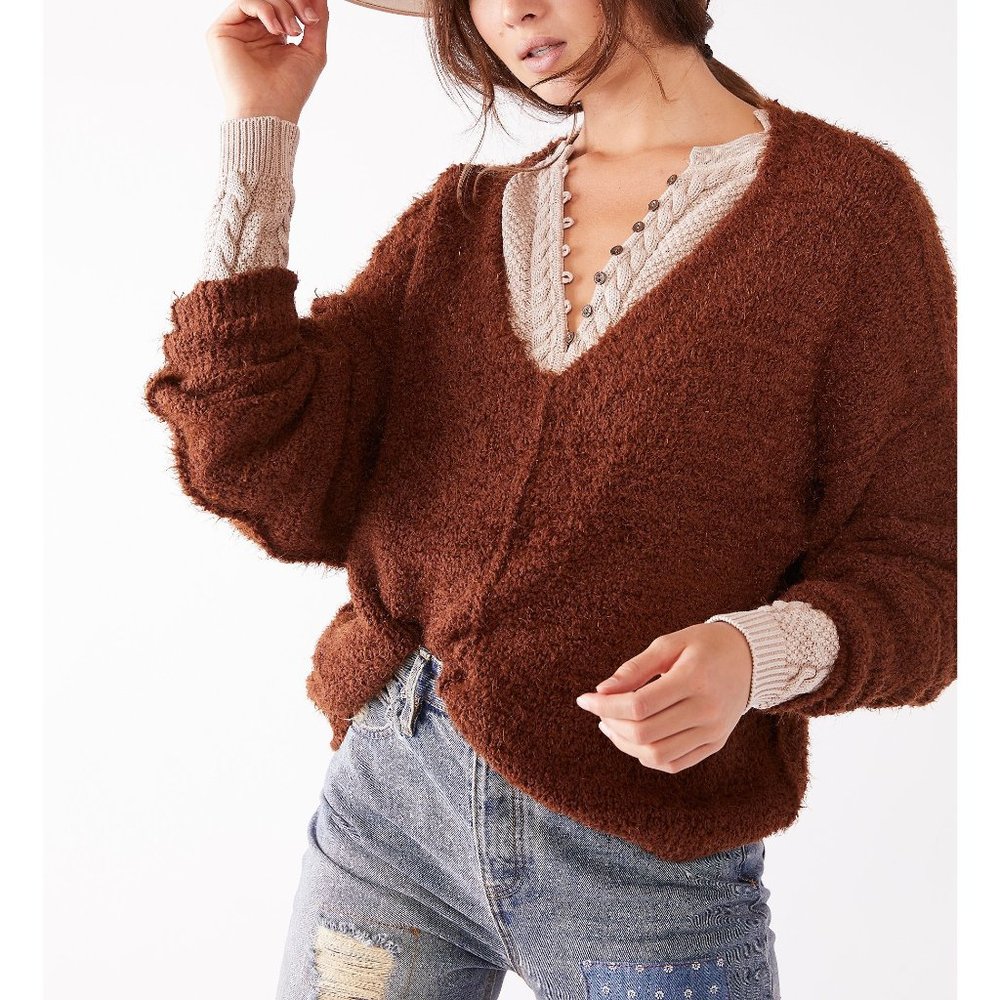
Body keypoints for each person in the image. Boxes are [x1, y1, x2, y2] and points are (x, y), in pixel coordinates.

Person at [143, 1, 957, 998]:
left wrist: (755, 655)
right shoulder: (458, 221)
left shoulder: (847, 212)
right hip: (391, 807)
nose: (511, 10)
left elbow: (927, 572)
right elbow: (255, 456)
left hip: (646, 854)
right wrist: (261, 131)